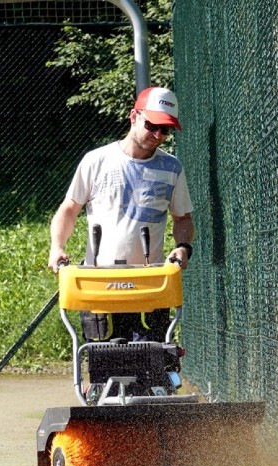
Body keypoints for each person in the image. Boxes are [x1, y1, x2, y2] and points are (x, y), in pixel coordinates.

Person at [47, 86, 195, 343]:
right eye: (152, 126)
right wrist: (56, 247)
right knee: (105, 363)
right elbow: (69, 210)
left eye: (166, 130)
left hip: (150, 282)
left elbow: (183, 218)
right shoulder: (97, 161)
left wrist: (183, 247)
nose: (158, 135)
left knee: (153, 361)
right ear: (134, 116)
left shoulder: (172, 167)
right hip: (101, 282)